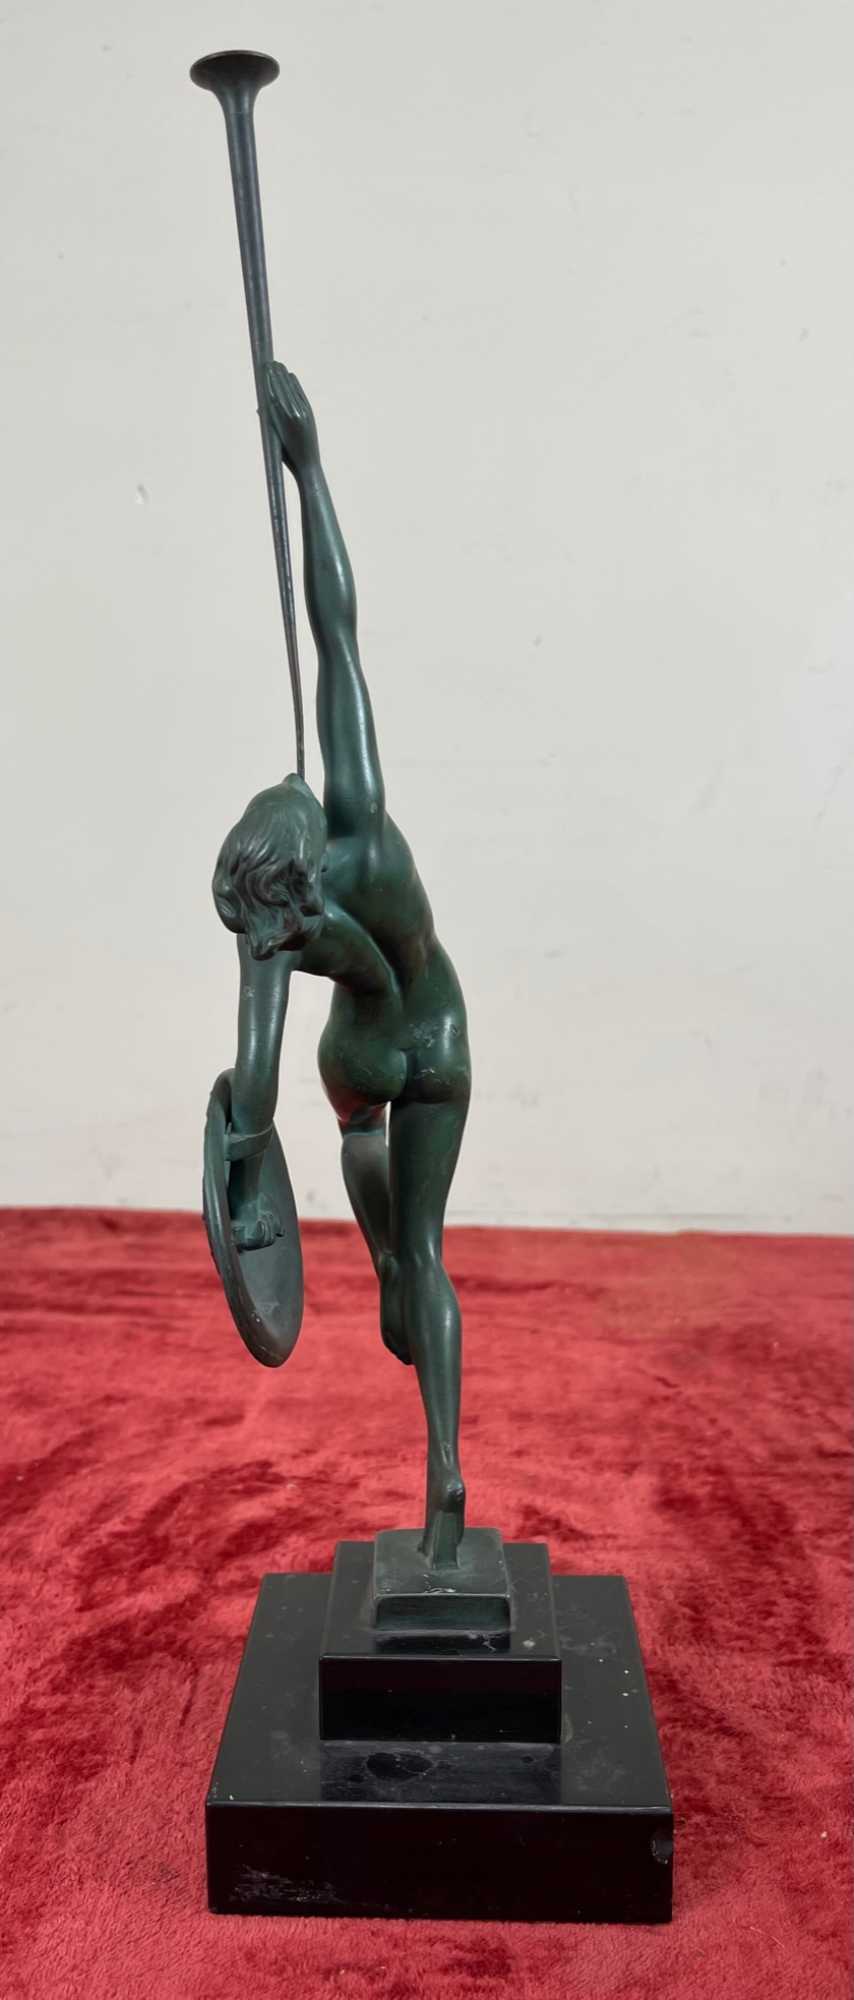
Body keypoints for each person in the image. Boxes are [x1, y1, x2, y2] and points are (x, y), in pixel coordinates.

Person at [211, 363, 471, 1568]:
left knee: (358, 1130)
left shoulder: (276, 936)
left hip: (364, 1054)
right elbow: (336, 632)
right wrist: (309, 469)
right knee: (430, 1252)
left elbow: (251, 1093)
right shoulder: (356, 822)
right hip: (436, 1030)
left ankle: (381, 1261)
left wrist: (242, 1184)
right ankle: (444, 1467)